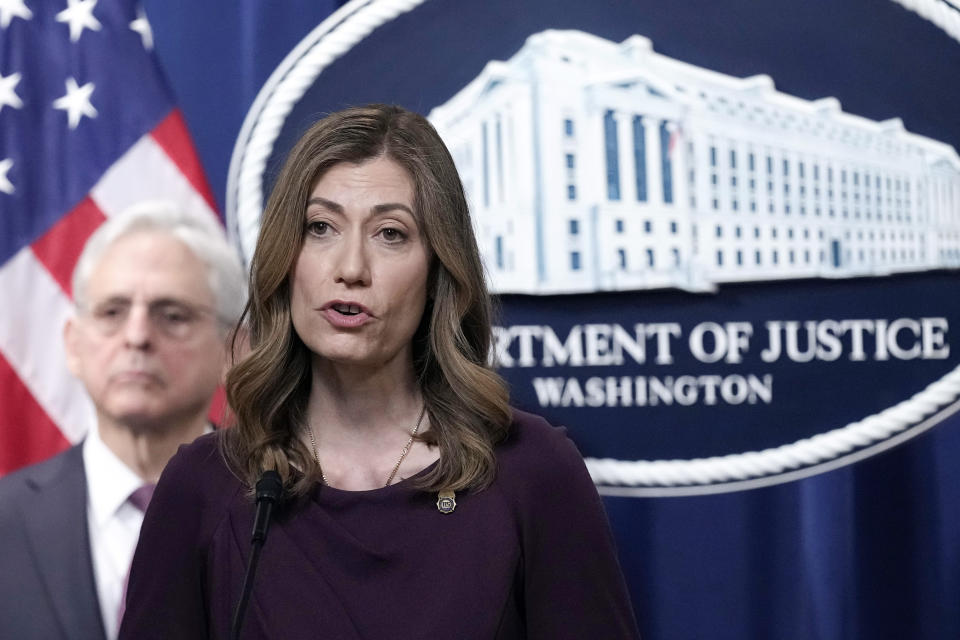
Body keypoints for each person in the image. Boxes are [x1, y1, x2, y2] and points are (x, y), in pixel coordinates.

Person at [120, 104, 641, 639]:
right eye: (320, 227)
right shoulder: (203, 487)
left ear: (439, 271)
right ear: (285, 257)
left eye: (390, 234)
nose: (350, 268)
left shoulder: (530, 472)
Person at [0, 201, 247, 640]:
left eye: (171, 315)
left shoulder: (284, 514)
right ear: (73, 344)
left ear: (232, 351)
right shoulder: (7, 520)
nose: (136, 336)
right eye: (112, 312)